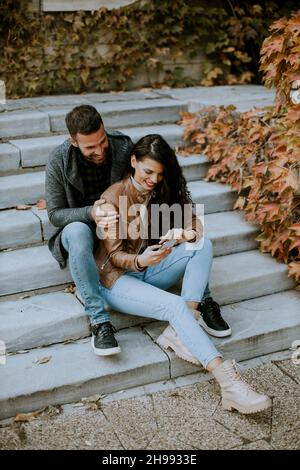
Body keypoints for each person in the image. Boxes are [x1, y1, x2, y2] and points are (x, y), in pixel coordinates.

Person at [95, 134, 272, 414]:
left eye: (160, 173)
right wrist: (141, 259)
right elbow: (114, 256)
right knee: (173, 304)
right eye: (148, 171)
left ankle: (182, 329)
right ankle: (228, 384)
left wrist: (184, 234)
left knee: (202, 245)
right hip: (116, 280)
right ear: (133, 161)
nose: (154, 179)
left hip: (150, 268)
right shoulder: (112, 197)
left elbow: (195, 223)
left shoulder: (164, 190)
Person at [46, 105, 229, 358]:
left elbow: (145, 185)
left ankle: (202, 301)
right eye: (90, 147)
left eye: (102, 142)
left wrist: (181, 228)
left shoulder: (121, 147)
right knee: (77, 233)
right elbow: (55, 214)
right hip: (86, 225)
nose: (99, 151)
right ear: (73, 141)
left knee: (194, 237)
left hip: (125, 221)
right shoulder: (59, 161)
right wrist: (91, 213)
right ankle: (99, 320)